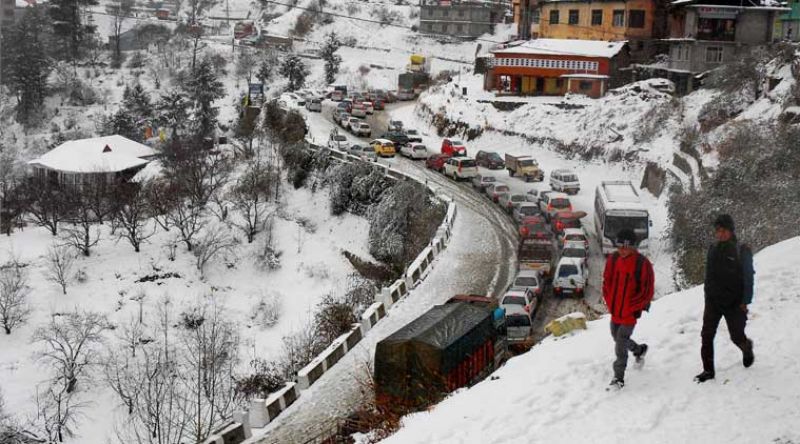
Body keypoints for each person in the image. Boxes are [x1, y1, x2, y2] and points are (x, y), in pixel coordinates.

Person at [694, 214, 755, 383]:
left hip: (735, 303)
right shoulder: (713, 248)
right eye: (718, 231)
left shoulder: (742, 250)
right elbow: (709, 275)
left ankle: (746, 347)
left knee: (736, 336)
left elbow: (748, 277)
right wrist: (707, 295)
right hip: (713, 302)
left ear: (731, 231)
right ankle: (708, 371)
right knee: (706, 335)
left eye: (724, 231)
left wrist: (745, 301)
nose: (720, 234)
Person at [602, 228, 655, 390]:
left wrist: (633, 306)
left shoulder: (642, 264)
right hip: (615, 310)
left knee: (620, 343)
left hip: (630, 313)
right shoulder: (613, 260)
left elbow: (647, 291)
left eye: (626, 247)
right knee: (616, 337)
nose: (622, 250)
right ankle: (639, 350)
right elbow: (607, 282)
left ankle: (618, 377)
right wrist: (610, 302)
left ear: (633, 246)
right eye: (619, 246)